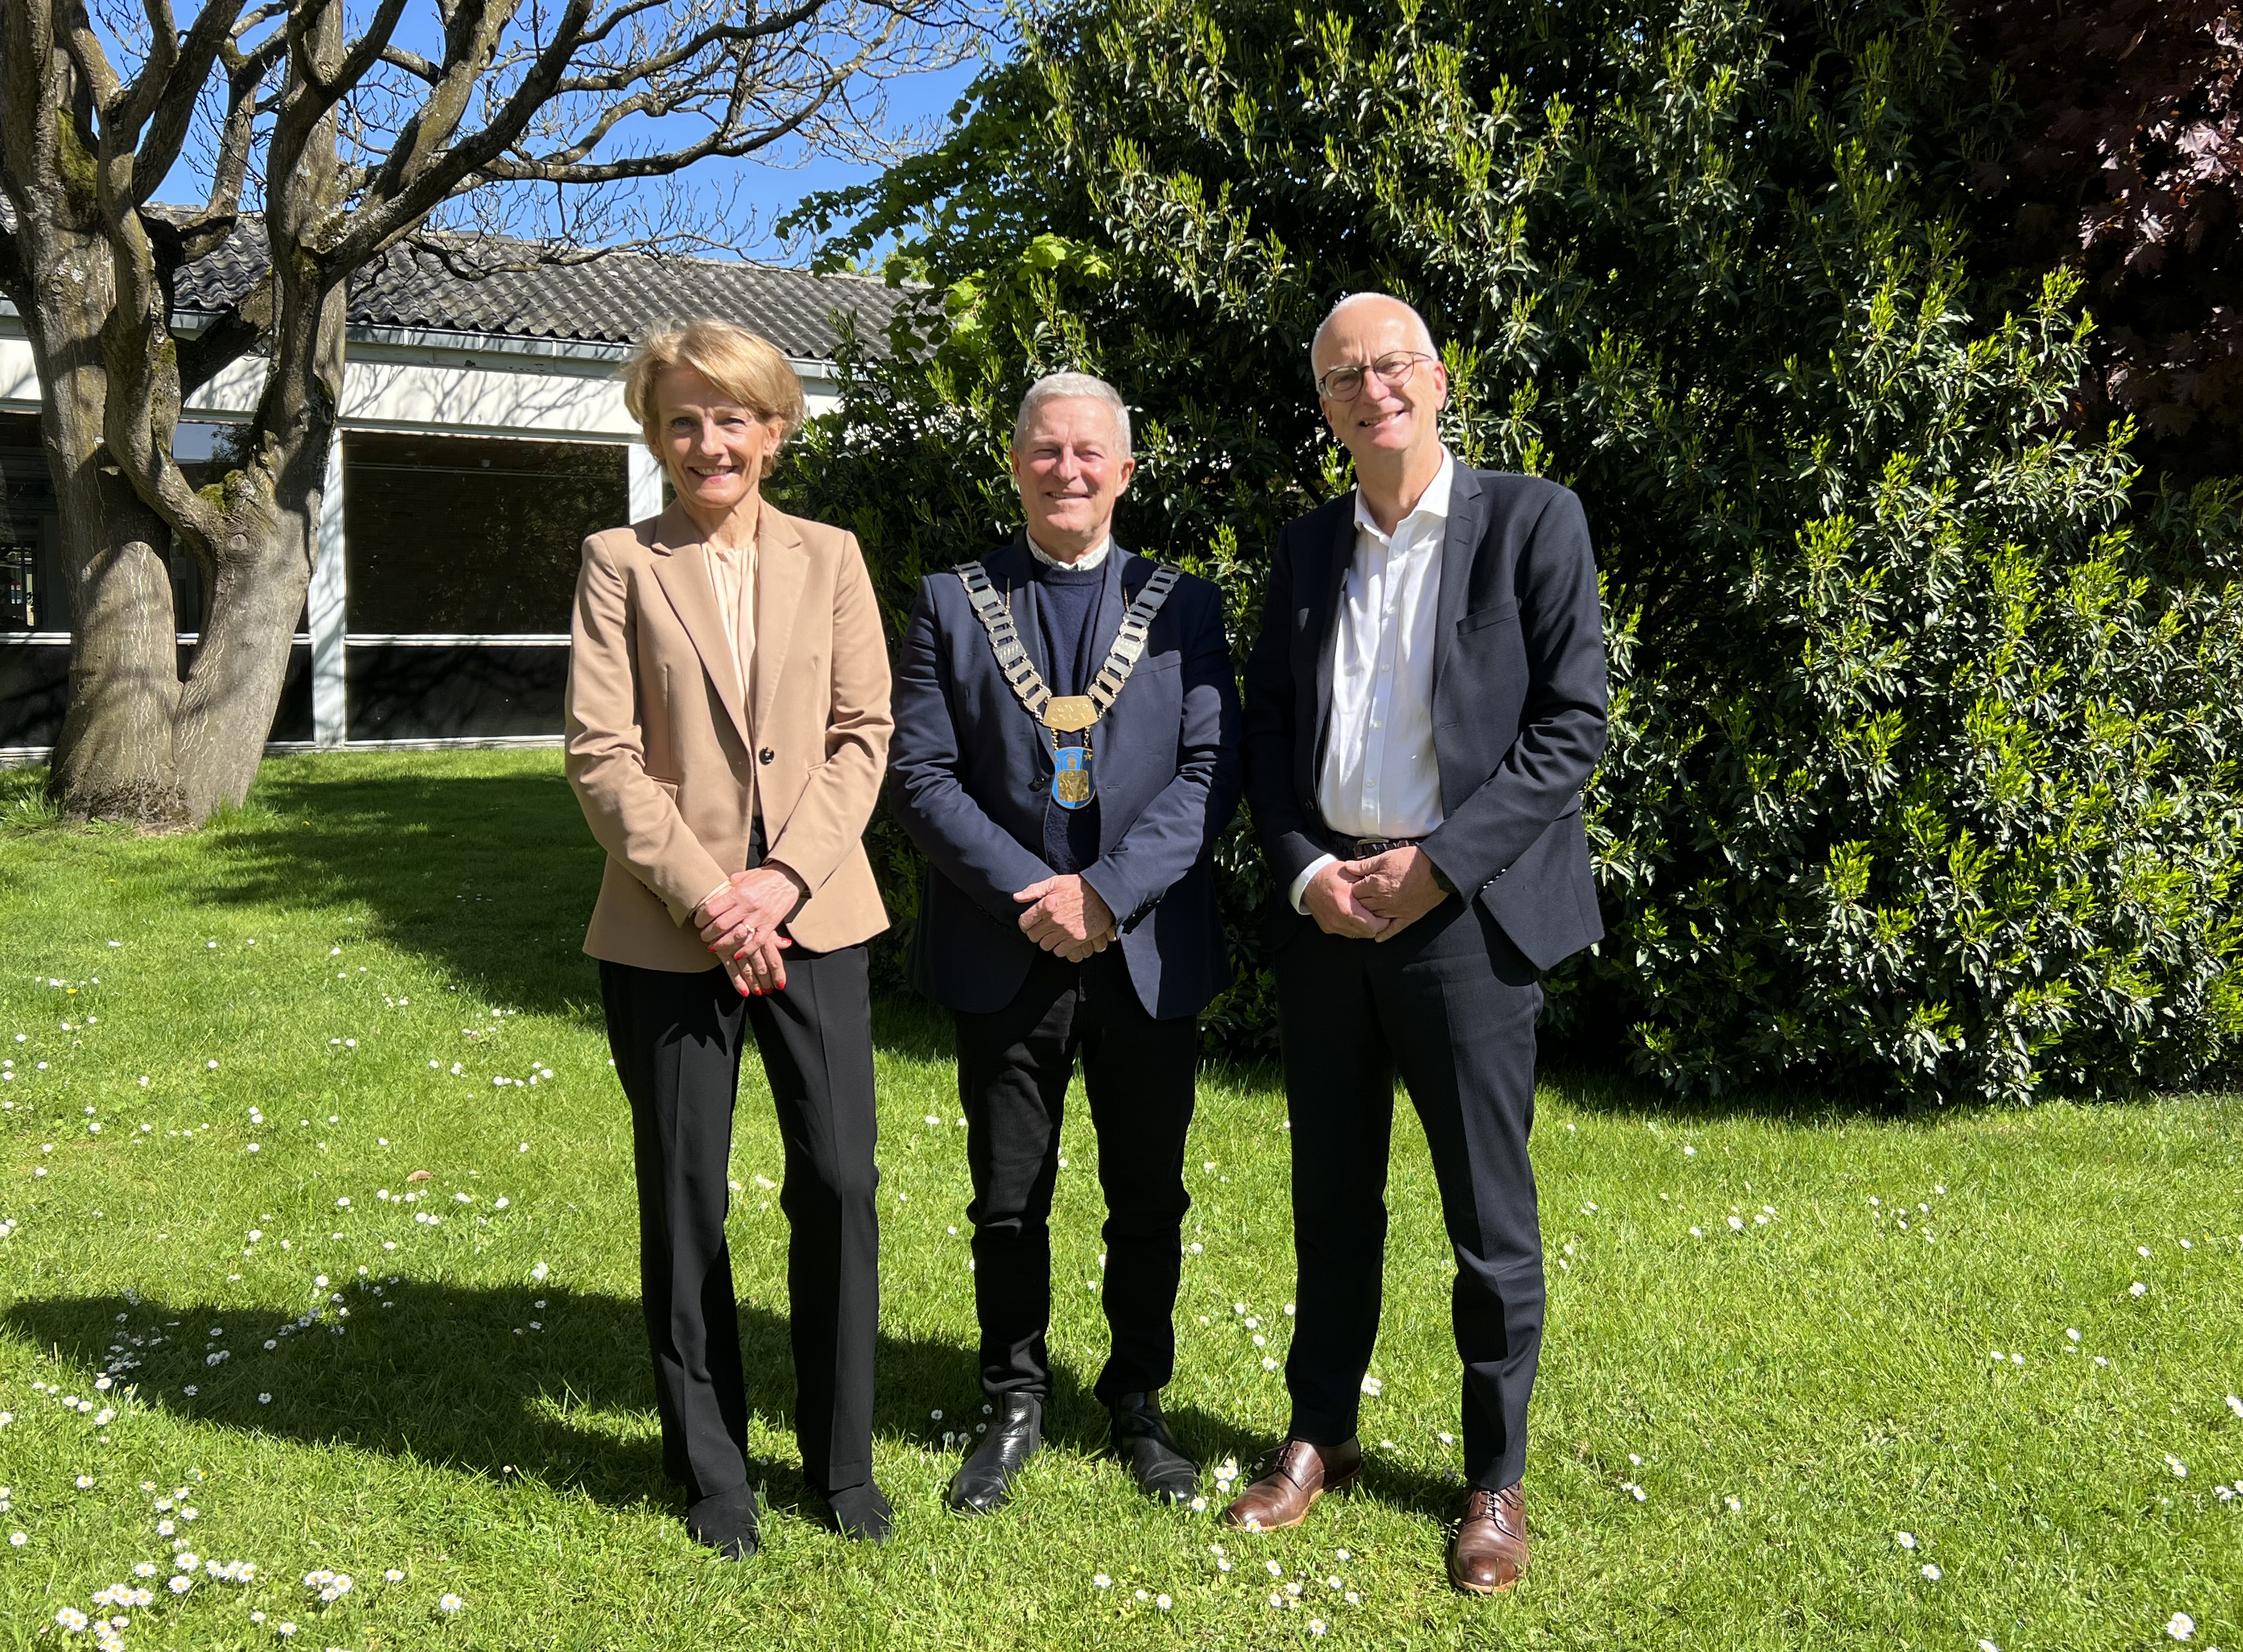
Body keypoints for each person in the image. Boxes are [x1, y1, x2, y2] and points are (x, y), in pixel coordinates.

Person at [1226, 293, 1610, 1593]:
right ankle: (1315, 1435)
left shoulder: (1530, 520)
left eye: (1389, 366)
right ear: (1326, 406)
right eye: (1343, 376)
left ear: (1436, 380)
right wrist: (1304, 871)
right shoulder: (1301, 548)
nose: (1369, 389)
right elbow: (1265, 734)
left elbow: (1571, 723)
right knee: (1330, 1201)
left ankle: (1491, 1480)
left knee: (1484, 1216)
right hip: (1331, 915)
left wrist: (1437, 865)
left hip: (1465, 920)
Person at [565, 319, 895, 1558]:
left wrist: (784, 885)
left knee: (841, 1183)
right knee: (686, 1195)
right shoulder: (618, 561)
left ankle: (842, 1461)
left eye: (735, 418)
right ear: (657, 436)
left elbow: (865, 734)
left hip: (819, 919)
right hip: (666, 929)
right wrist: (715, 898)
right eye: (685, 420)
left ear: (776, 430)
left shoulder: (835, 558)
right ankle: (714, 1474)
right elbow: (602, 755)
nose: (712, 442)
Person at [889, 371, 1242, 1515]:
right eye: (1046, 451)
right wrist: (1034, 893)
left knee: (1149, 1196)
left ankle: (1139, 1400)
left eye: (1091, 452)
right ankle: (1013, 1400)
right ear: (1015, 463)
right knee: (1007, 1196)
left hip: (1144, 949)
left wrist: (1107, 895)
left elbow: (1208, 774)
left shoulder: (1187, 606)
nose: (1068, 471)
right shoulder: (952, 600)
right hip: (1006, 946)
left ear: (1126, 471)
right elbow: (921, 774)